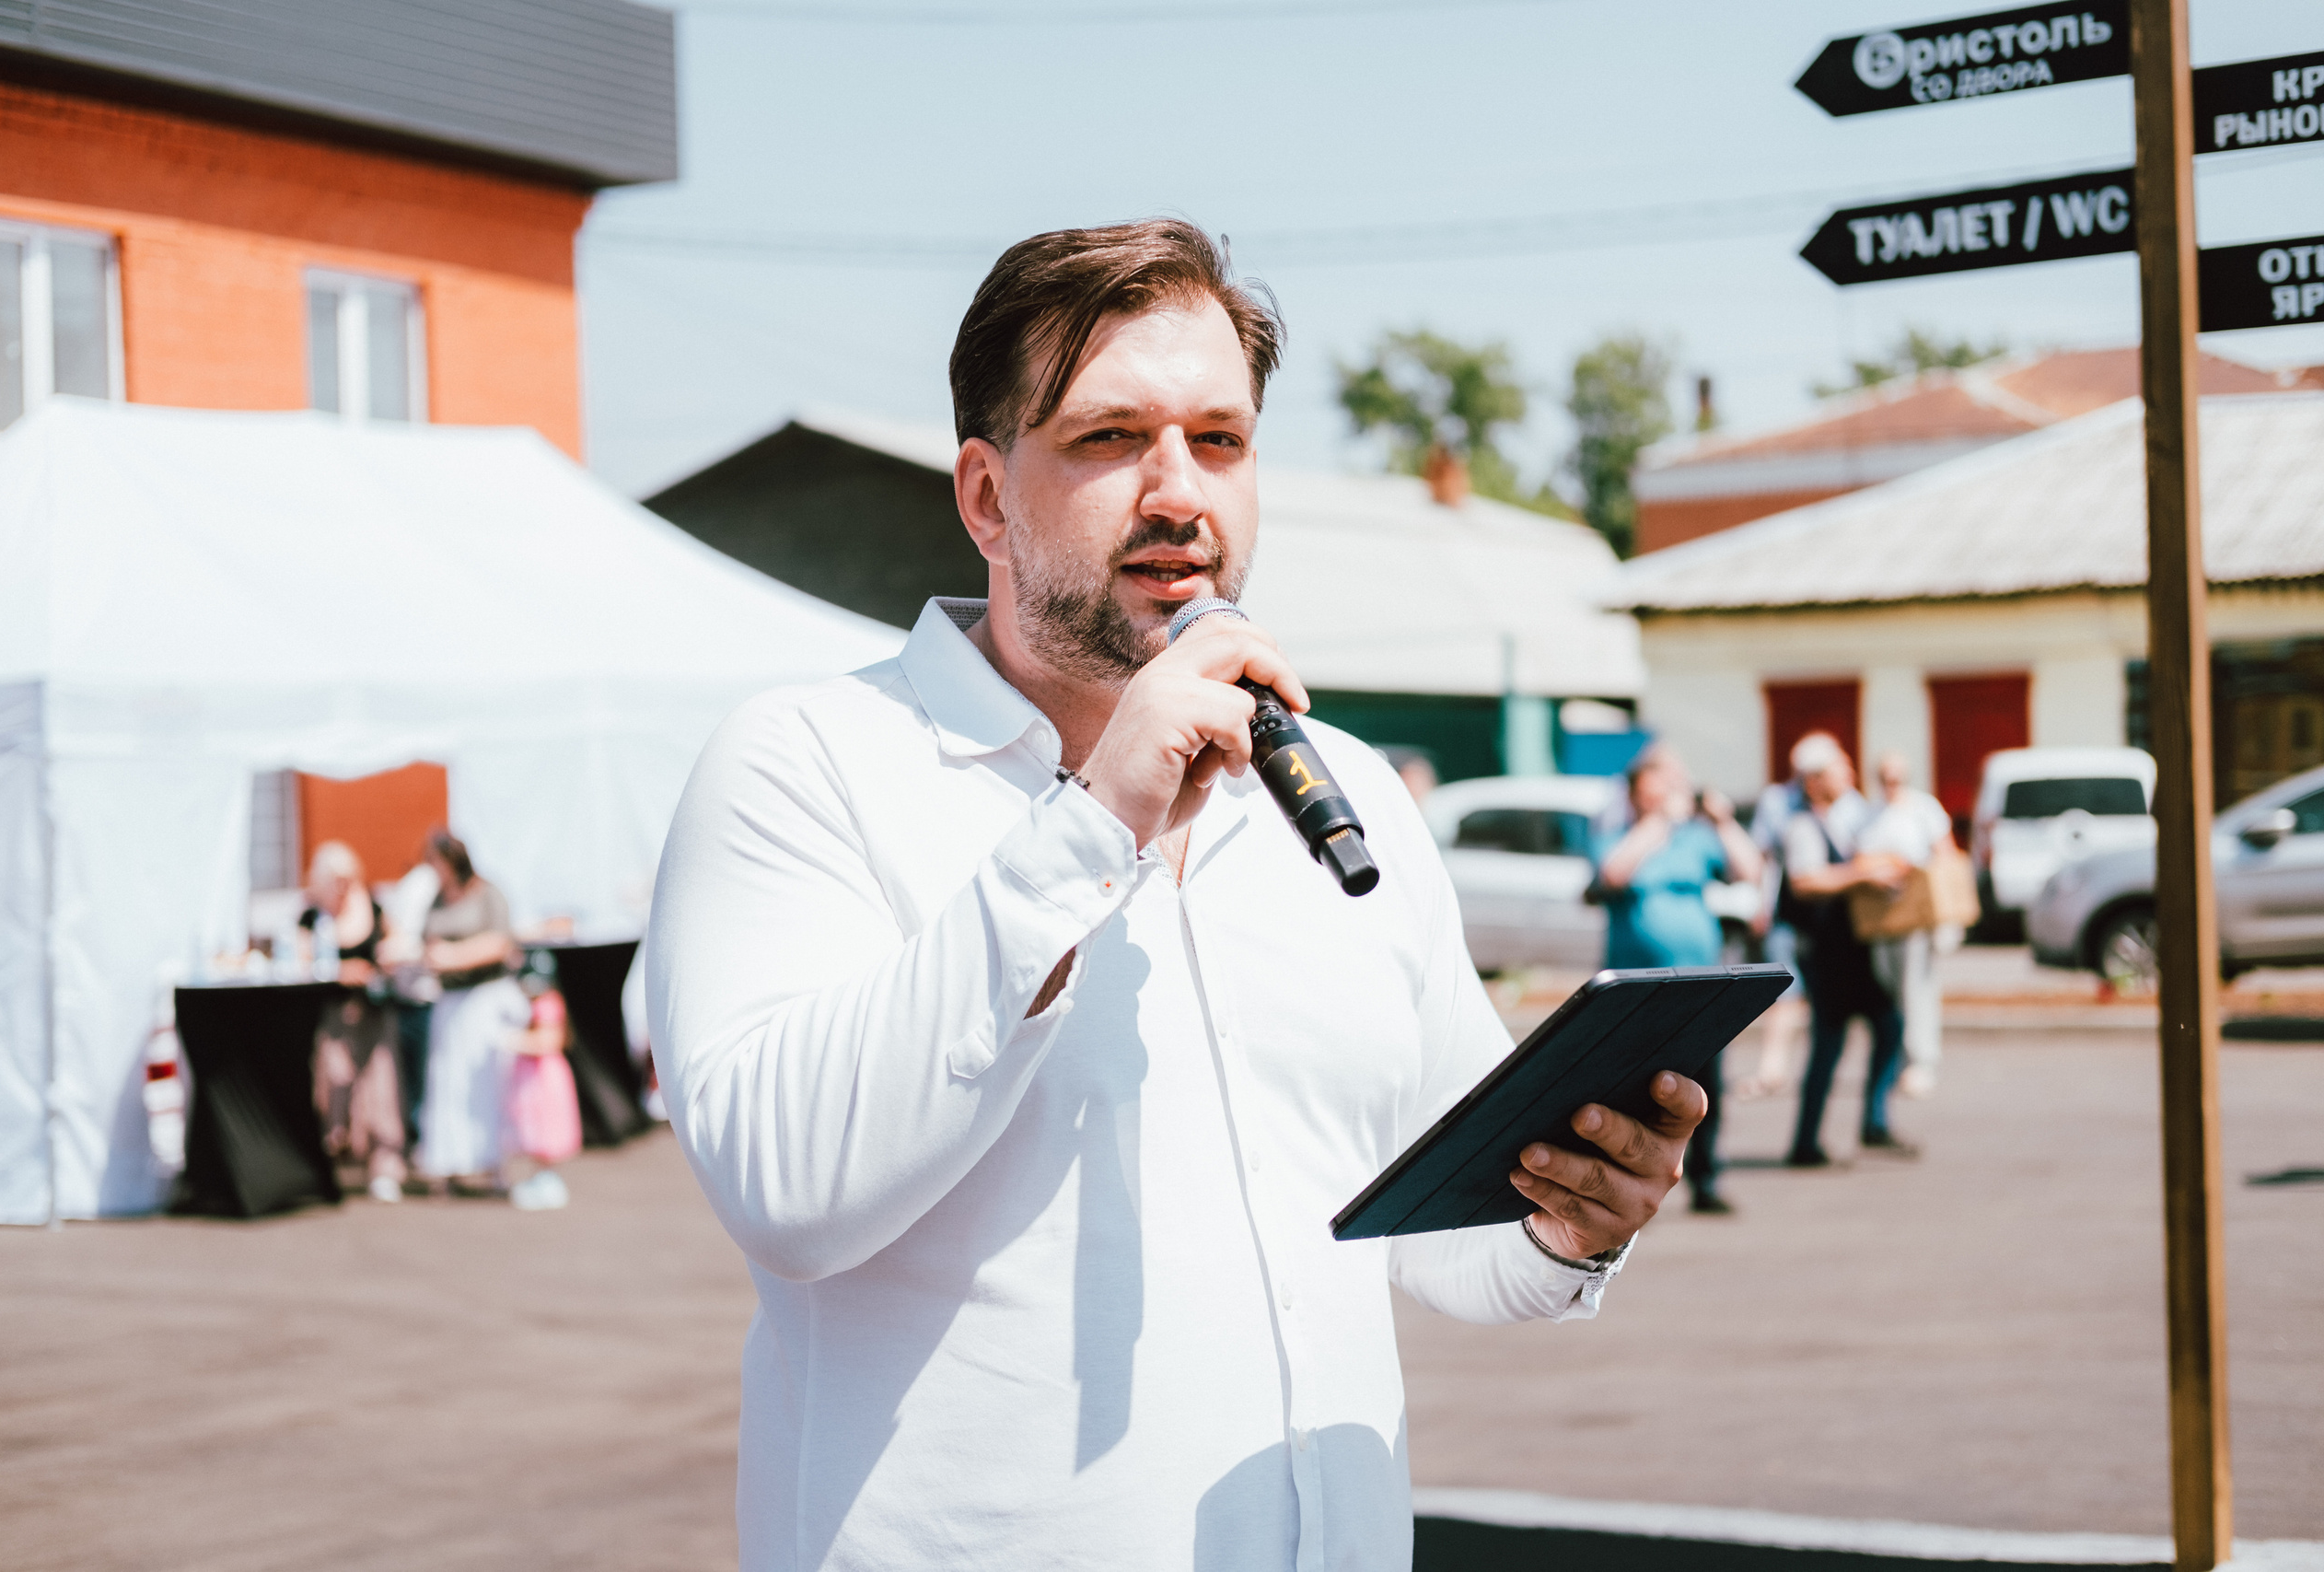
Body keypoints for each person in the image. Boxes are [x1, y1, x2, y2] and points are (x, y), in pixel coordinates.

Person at [649, 219, 1706, 1571]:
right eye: (1108, 438)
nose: (1179, 490)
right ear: (986, 496)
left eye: (1220, 438)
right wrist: (1093, 823)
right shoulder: (808, 762)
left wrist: (1568, 1217)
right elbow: (789, 1191)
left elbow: (1437, 1237)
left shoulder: (1354, 792)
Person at [1593, 744, 1762, 1214]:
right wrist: (1659, 821)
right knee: (1632, 1091)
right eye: (1662, 779)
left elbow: (1750, 871)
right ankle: (1624, 1188)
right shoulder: (1620, 831)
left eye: (1678, 779)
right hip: (1637, 988)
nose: (1673, 787)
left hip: (1699, 983)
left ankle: (1706, 1179)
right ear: (1637, 789)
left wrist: (1723, 821)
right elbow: (1614, 872)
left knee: (1705, 1088)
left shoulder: (1696, 837)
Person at [1780, 734, 1914, 1167]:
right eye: (1840, 768)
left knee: (1887, 1026)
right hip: (1827, 953)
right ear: (1815, 780)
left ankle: (1867, 1122)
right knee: (1831, 1044)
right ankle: (1809, 1141)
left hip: (1851, 950)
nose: (1850, 775)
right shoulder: (1803, 825)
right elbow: (1806, 881)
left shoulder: (1845, 817)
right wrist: (1861, 875)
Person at [413, 829, 524, 1190]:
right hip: (450, 1001)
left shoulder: (488, 893)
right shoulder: (436, 900)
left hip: (484, 997)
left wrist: (454, 957)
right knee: (448, 1083)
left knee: (487, 1082)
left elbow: (500, 942)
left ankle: (493, 1163)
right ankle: (450, 1163)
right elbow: (425, 940)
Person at [301, 841, 406, 1203]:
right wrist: (335, 972)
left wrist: (391, 957)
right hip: (333, 1015)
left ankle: (385, 1166)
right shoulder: (312, 917)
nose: (344, 885)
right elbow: (297, 960)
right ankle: (335, 1158)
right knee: (334, 1085)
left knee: (381, 1089)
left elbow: (397, 940)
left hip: (374, 1011)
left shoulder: (375, 908)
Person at [1860, 751, 1959, 1097]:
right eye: (1886, 778)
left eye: (1897, 778)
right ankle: (1898, 1058)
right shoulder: (1870, 814)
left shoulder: (1922, 808)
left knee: (1917, 989)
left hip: (1916, 915)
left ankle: (1921, 1060)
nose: (1892, 785)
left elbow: (1943, 855)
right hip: (1880, 916)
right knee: (1889, 988)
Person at [1737, 765, 1808, 1101]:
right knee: (1787, 987)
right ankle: (1773, 1066)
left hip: (1827, 921)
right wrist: (1760, 905)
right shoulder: (1778, 801)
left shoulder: (1846, 803)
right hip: (1784, 914)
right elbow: (1762, 857)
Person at [505, 951, 580, 1211]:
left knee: (545, 1125)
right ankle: (541, 1178)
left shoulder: (548, 1003)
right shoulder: (532, 1002)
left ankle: (547, 1182)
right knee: (532, 1127)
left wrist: (511, 1040)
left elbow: (548, 1041)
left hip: (544, 1076)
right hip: (532, 1076)